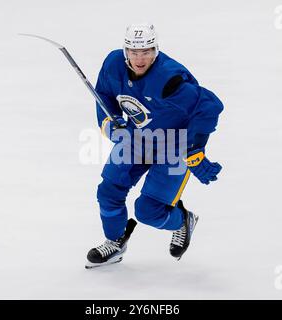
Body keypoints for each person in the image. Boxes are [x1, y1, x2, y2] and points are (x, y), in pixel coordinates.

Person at [85, 23, 224, 269]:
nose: (140, 58)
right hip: (136, 139)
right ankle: (115, 242)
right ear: (125, 49)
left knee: (148, 211)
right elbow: (104, 95)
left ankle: (182, 220)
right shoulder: (113, 64)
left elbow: (209, 106)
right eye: (134, 51)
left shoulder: (169, 79)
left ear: (156, 50)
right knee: (108, 191)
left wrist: (194, 150)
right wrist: (110, 122)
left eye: (147, 51)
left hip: (174, 144)